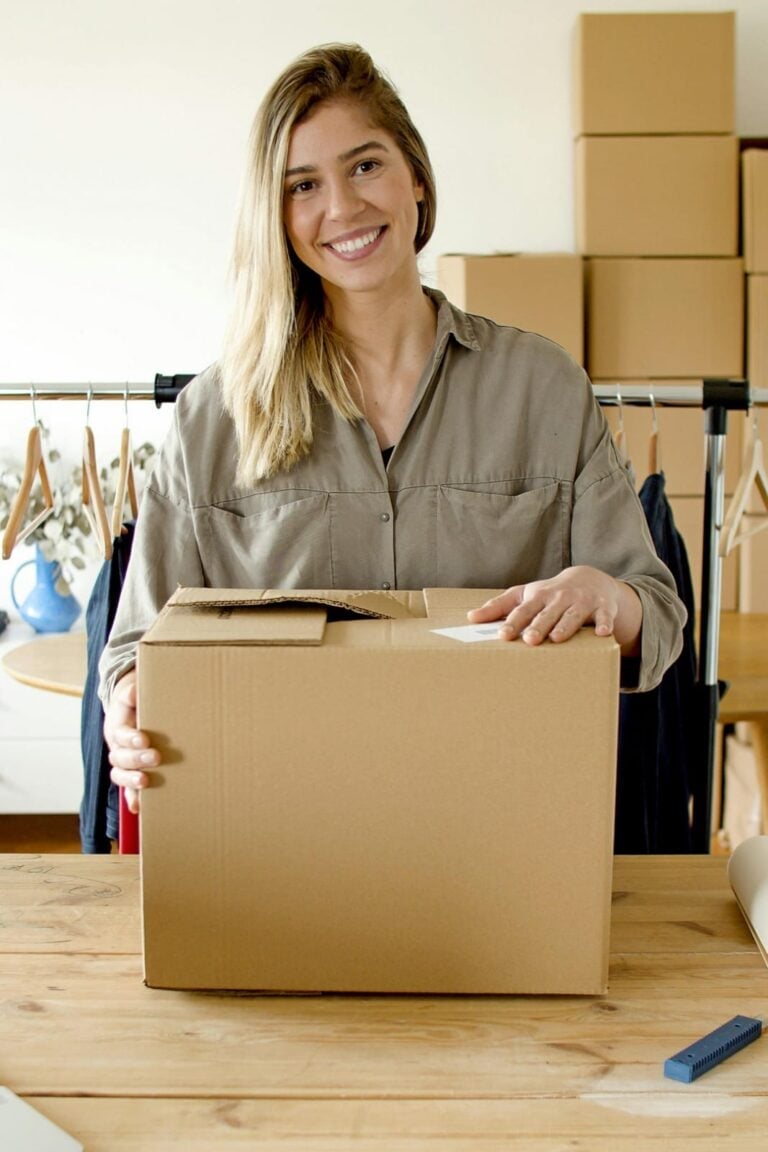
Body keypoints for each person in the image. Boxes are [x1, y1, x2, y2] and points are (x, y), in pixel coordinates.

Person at [102, 43, 686, 815]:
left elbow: (660, 620)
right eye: (303, 185)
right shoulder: (214, 416)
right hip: (281, 827)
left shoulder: (541, 387)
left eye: (366, 166)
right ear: (275, 216)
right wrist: (130, 702)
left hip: (502, 821)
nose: (341, 208)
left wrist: (607, 596)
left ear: (416, 175)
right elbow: (133, 650)